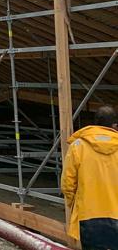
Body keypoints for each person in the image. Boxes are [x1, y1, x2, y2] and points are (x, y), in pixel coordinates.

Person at [61, 105, 118, 249]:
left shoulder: (78, 146)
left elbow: (68, 184)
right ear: (114, 125)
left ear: (95, 123)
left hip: (88, 215)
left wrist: (74, 205)